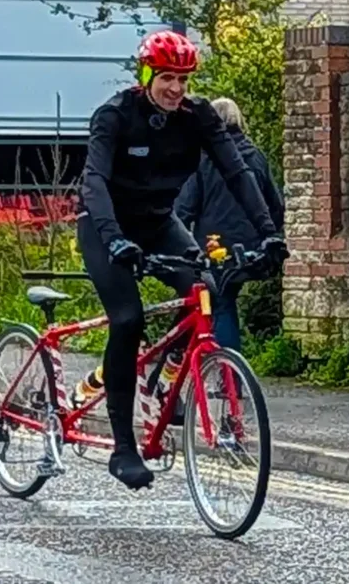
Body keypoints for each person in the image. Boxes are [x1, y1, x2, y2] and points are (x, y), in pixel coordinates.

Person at [75, 29, 287, 491]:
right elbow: (94, 183)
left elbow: (237, 172)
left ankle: (163, 384)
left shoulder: (197, 117)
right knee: (128, 320)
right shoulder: (115, 116)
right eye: (167, 77)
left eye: (184, 79)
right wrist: (113, 240)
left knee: (204, 294)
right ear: (147, 75)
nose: (176, 89)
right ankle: (124, 448)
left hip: (157, 222)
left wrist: (271, 234)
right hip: (103, 224)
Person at [175, 97, 285, 353]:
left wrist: (176, 242)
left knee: (219, 303)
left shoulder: (203, 159)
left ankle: (226, 377)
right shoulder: (255, 156)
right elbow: (274, 204)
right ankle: (225, 368)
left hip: (214, 246)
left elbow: (185, 208)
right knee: (225, 301)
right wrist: (266, 236)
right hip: (250, 247)